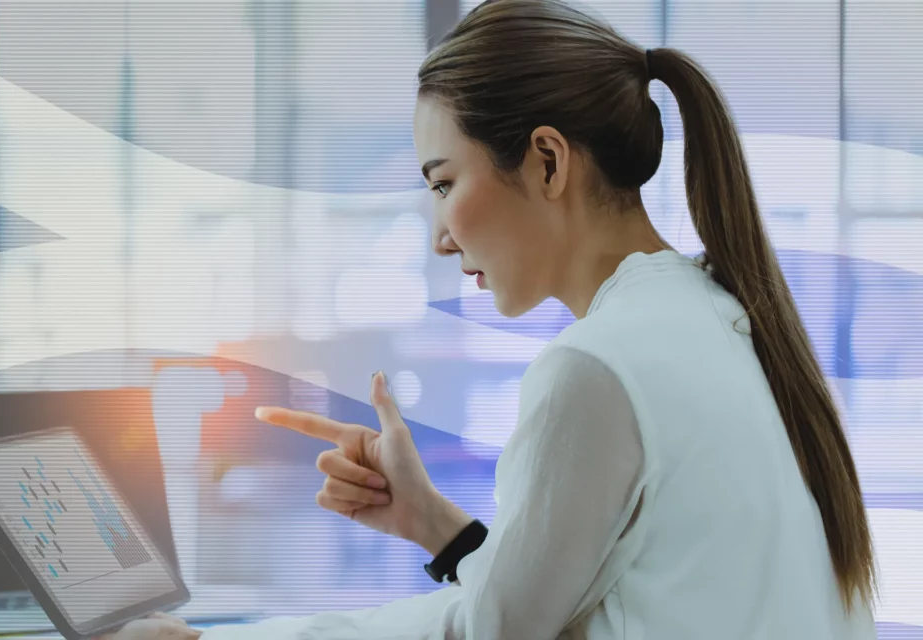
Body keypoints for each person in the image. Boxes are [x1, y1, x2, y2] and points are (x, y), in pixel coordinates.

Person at [101, 0, 878, 637]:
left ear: (547, 160)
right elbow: (548, 612)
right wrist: (432, 522)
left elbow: (490, 634)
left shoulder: (598, 368)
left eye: (443, 184)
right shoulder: (715, 316)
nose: (440, 234)